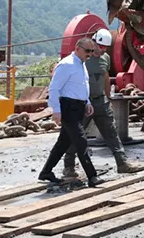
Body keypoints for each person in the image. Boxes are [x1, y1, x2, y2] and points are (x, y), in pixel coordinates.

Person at [62, 28, 138, 177]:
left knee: (111, 132)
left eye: (105, 47)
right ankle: (69, 166)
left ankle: (122, 163)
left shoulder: (105, 58)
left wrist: (108, 98)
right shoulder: (82, 59)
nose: (103, 50)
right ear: (94, 43)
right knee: (76, 135)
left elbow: (105, 77)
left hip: (100, 101)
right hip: (83, 103)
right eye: (101, 46)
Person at [38, 37, 101, 186]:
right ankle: (92, 176)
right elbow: (54, 88)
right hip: (68, 108)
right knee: (81, 141)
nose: (89, 54)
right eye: (87, 51)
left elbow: (81, 86)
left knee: (63, 143)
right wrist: (56, 110)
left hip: (78, 108)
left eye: (92, 51)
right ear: (77, 48)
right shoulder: (66, 64)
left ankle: (46, 172)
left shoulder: (81, 64)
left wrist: (87, 102)